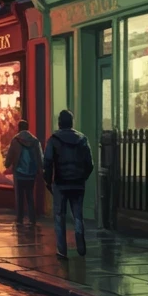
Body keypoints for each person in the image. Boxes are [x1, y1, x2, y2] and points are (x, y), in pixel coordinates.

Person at [43, 109, 94, 259]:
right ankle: (80, 243)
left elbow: (47, 162)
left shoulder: (53, 140)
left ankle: (62, 250)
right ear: (72, 122)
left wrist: (48, 181)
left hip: (61, 183)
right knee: (78, 215)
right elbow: (89, 163)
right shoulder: (82, 139)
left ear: (59, 123)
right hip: (78, 183)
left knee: (59, 216)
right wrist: (82, 177)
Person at [4, 119, 43, 226]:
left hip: (19, 172)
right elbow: (40, 156)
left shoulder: (16, 140)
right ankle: (32, 218)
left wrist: (7, 164)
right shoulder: (35, 141)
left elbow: (10, 154)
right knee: (30, 195)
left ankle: (20, 218)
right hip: (31, 173)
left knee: (19, 196)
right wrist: (40, 168)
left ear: (19, 128)